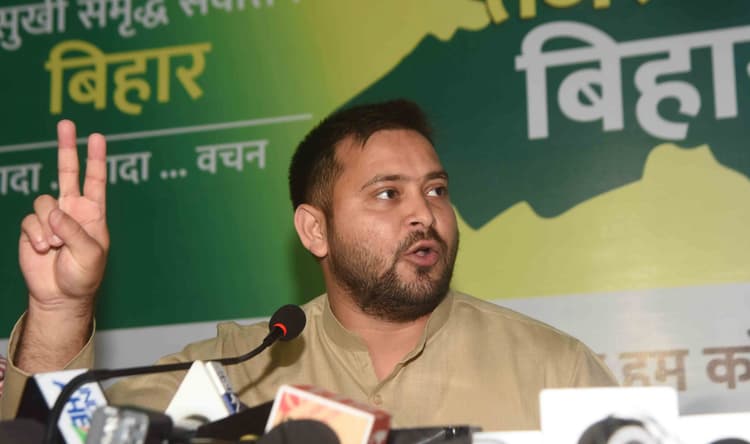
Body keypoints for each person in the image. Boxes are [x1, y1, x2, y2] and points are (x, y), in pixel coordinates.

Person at [1, 99, 616, 430]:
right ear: (314, 229)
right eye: (388, 193)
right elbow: (62, 436)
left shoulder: (552, 369)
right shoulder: (236, 368)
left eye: (436, 190)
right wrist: (61, 309)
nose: (424, 214)